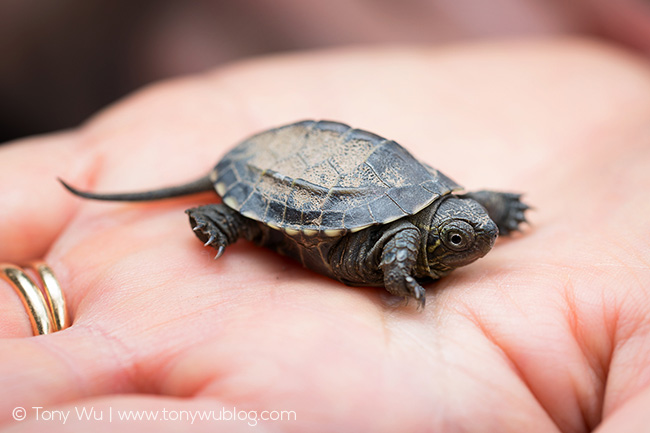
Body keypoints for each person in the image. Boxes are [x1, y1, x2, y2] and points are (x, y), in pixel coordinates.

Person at [1, 34, 650, 433]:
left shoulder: (448, 206)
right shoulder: (406, 245)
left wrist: (497, 211)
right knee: (264, 224)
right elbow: (399, 246)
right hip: (273, 162)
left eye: (473, 232)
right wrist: (400, 276)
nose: (473, 240)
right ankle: (227, 214)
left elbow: (461, 214)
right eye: (460, 239)